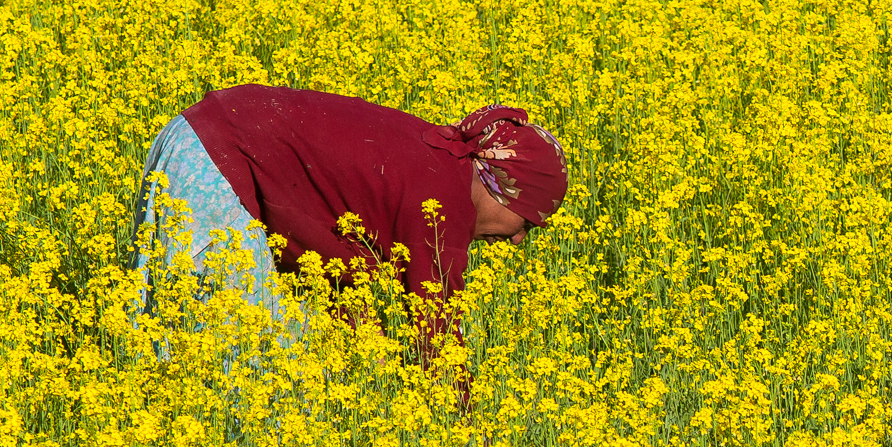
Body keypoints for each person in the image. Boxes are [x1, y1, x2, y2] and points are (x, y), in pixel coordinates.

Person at [132, 84, 567, 341]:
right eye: (527, 222)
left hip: (201, 138)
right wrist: (468, 441)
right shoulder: (444, 204)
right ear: (503, 190)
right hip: (215, 160)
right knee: (235, 354)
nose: (516, 239)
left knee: (282, 347)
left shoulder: (436, 165)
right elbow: (437, 337)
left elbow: (335, 256)